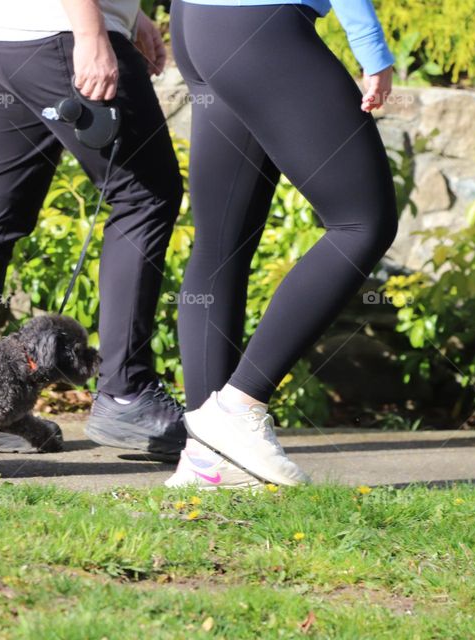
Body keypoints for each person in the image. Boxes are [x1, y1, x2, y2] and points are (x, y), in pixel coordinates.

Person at [0, 0, 188, 456]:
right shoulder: (77, 34)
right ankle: (126, 393)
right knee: (145, 195)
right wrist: (92, 34)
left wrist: (126, 13)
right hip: (60, 32)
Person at [164, 0, 399, 488]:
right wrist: (371, 46)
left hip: (199, 21)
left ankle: (208, 458)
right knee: (363, 222)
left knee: (220, 245)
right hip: (258, 26)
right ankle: (239, 405)